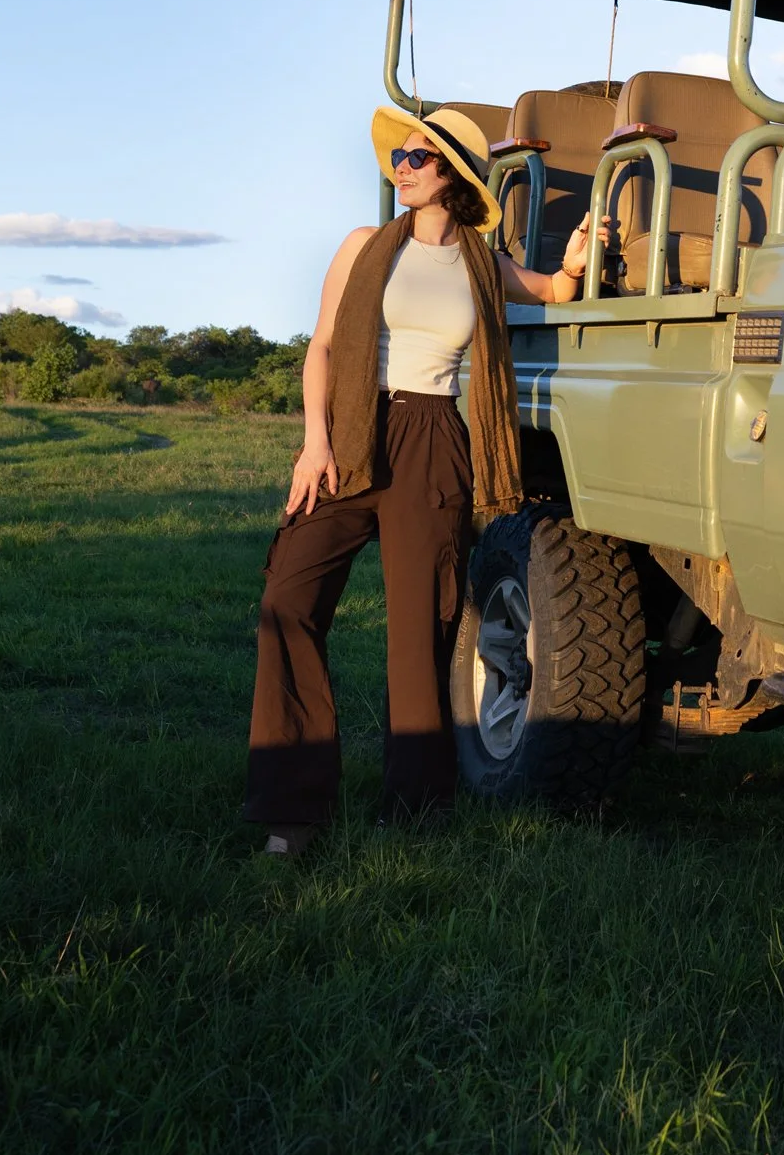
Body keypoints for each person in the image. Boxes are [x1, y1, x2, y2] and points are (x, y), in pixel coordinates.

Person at [242, 103, 605, 854]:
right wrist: (315, 445)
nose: (400, 168)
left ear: (453, 177)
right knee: (288, 599)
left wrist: (574, 260)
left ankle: (412, 811)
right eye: (399, 157)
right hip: (351, 434)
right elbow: (321, 347)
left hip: (435, 439)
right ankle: (293, 805)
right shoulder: (363, 246)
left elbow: (552, 293)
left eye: (418, 158)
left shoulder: (480, 261)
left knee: (419, 634)